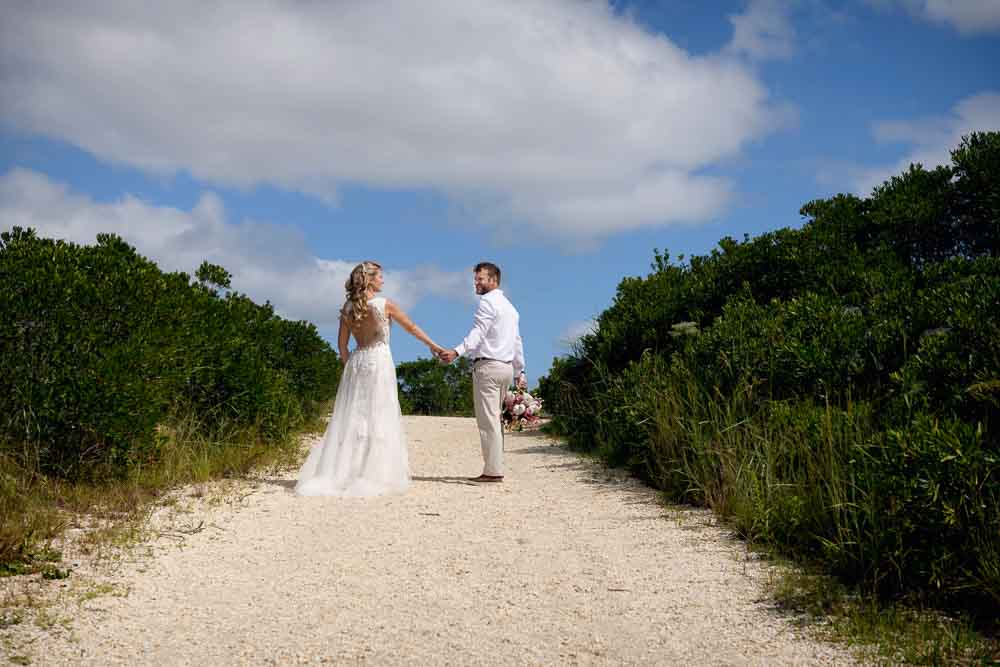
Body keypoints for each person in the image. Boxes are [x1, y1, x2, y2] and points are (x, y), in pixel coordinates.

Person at [295, 261, 444, 497]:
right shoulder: (384, 305)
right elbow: (412, 328)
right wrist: (435, 347)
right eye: (380, 276)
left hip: (357, 362)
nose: (383, 280)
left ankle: (345, 471)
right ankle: (374, 473)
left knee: (354, 416)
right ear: (370, 279)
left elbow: (342, 345)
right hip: (378, 360)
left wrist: (349, 368)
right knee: (379, 414)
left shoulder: (347, 308)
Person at [438, 262, 526, 483]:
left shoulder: (487, 303)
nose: (476, 283)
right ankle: (495, 466)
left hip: (488, 367)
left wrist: (457, 352)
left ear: (493, 280)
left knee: (488, 422)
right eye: (475, 279)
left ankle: (493, 471)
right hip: (506, 368)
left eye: (480, 279)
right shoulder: (510, 308)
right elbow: (517, 342)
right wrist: (519, 370)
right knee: (495, 420)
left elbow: (478, 332)